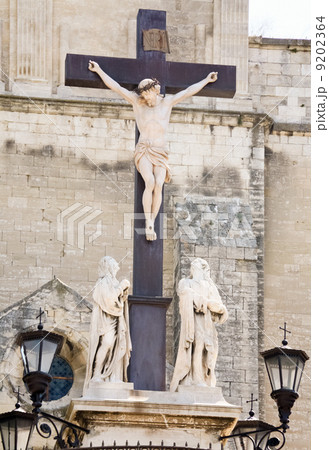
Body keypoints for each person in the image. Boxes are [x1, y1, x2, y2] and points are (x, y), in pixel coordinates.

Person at [88, 60, 218, 240]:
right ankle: (148, 222)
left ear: (154, 91)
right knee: (149, 182)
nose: (145, 99)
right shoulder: (137, 102)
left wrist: (206, 80)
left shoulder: (168, 102)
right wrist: (99, 70)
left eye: (147, 95)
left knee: (159, 184)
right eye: (142, 96)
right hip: (144, 149)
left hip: (160, 151)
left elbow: (188, 91)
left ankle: (152, 221)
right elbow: (117, 88)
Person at [170, 258, 228, 392]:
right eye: (193, 266)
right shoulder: (186, 282)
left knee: (209, 351)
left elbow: (219, 305)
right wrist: (206, 303)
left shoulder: (209, 286)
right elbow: (185, 294)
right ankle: (197, 379)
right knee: (198, 346)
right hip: (194, 320)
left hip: (207, 322)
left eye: (197, 266)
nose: (193, 268)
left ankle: (204, 378)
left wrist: (220, 309)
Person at [84, 256, 131, 390]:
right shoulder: (103, 281)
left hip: (116, 319)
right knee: (107, 343)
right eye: (115, 266)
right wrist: (121, 287)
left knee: (117, 345)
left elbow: (118, 301)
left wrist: (124, 292)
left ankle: (114, 377)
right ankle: (97, 374)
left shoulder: (113, 281)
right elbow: (108, 299)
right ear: (109, 267)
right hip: (105, 318)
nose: (117, 268)